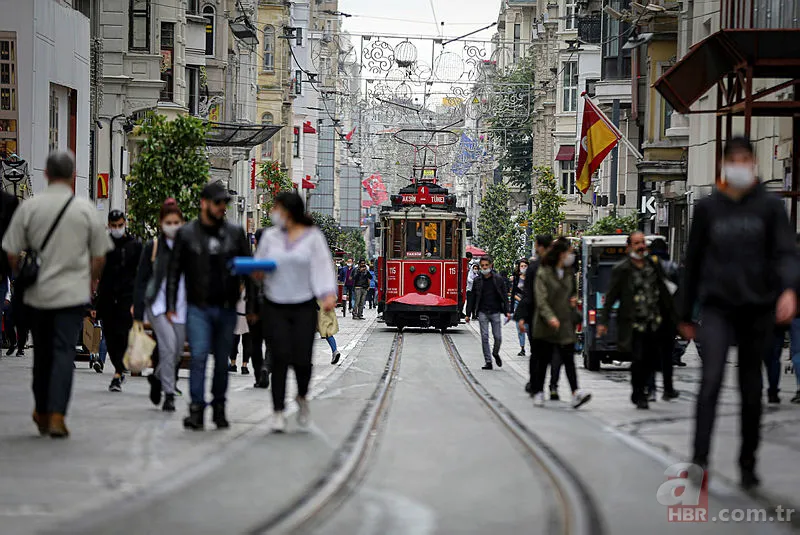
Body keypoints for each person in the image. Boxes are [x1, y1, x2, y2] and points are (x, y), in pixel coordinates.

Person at [679, 137, 799, 489]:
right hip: (717, 307)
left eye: (746, 159)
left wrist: (789, 290)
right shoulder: (708, 209)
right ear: (724, 164)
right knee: (711, 379)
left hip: (757, 309)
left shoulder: (770, 208)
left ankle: (748, 462)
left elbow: (786, 254)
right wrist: (684, 314)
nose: (740, 165)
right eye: (734, 159)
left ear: (754, 163)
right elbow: (694, 262)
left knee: (750, 386)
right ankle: (699, 458)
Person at [2, 151, 112, 437]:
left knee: (43, 354)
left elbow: (11, 250)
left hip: (38, 295)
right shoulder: (85, 210)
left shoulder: (30, 208)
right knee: (64, 353)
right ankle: (58, 414)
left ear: (46, 174)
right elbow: (100, 256)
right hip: (72, 295)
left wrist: (21, 274)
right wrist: (90, 282)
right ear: (73, 175)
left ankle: (41, 409)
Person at [167, 181, 252, 431]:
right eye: (217, 203)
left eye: (224, 203)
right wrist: (171, 304)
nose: (222, 208)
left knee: (222, 361)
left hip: (226, 307)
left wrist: (254, 305)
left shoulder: (235, 234)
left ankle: (219, 407)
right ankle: (196, 410)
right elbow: (174, 271)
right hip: (198, 307)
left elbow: (247, 269)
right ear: (204, 203)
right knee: (200, 356)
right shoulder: (187, 234)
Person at [254, 192, 337, 433]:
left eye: (278, 208)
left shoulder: (313, 238)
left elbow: (323, 266)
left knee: (302, 358)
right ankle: (278, 410)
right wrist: (257, 274)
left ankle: (302, 395)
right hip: (274, 303)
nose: (274, 213)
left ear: (289, 211)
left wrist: (327, 294)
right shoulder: (270, 237)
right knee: (278, 357)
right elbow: (259, 263)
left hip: (303, 304)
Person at [597, 232, 677, 410]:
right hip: (632, 323)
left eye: (642, 243)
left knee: (651, 359)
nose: (641, 246)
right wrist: (602, 322)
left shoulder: (653, 265)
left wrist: (674, 317)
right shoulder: (622, 269)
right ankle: (639, 392)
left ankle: (643, 390)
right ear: (629, 247)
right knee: (638, 358)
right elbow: (611, 297)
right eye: (637, 243)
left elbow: (664, 290)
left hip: (653, 321)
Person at [132, 199, 187, 412]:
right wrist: (138, 311)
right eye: (169, 222)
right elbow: (141, 280)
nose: (173, 225)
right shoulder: (153, 247)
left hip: (182, 306)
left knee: (176, 353)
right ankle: (169, 394)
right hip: (159, 306)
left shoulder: (188, 247)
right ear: (161, 223)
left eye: (176, 222)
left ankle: (156, 378)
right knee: (168, 347)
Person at [529, 238, 591, 409]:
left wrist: (573, 301)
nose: (571, 255)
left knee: (568, 359)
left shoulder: (569, 273)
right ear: (561, 254)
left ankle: (575, 392)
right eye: (569, 252)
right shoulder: (544, 272)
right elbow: (541, 300)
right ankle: (539, 391)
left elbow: (572, 293)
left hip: (564, 322)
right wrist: (550, 317)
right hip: (546, 323)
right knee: (544, 359)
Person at [96, 210, 143, 393]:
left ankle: (117, 372)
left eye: (119, 225)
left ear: (125, 224)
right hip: (107, 296)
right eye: (113, 225)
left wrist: (137, 300)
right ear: (108, 225)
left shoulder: (134, 246)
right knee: (109, 334)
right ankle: (118, 365)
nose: (116, 229)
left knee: (122, 333)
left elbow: (140, 274)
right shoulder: (103, 245)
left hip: (126, 297)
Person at [516, 235, 554, 396]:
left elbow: (527, 294)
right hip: (551, 316)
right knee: (546, 353)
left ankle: (535, 384)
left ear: (538, 246)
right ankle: (549, 386)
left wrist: (522, 317)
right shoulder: (553, 266)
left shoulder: (534, 267)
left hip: (535, 315)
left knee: (537, 352)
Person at [645, 238, 682, 403]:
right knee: (667, 356)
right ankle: (668, 389)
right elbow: (681, 294)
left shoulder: (647, 267)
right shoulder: (673, 267)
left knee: (650, 355)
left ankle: (651, 389)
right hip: (668, 319)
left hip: (651, 317)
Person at [472, 255, 509, 370]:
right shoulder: (477, 280)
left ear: (491, 265)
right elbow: (473, 297)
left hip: (495, 312)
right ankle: (488, 361)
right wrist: (468, 314)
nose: (484, 267)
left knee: (498, 337)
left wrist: (507, 311)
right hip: (483, 312)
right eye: (482, 266)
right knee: (484, 336)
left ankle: (495, 353)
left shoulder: (498, 279)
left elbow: (504, 296)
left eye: (486, 265)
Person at [246, 228, 269, 389]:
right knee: (272, 343)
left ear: (255, 241)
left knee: (255, 343)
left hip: (254, 308)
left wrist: (250, 310)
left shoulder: (252, 259)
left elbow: (249, 287)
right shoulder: (275, 259)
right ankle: (266, 367)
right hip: (273, 308)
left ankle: (258, 375)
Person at [510, 258, 529, 356]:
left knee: (529, 327)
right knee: (519, 327)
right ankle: (522, 348)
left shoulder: (531, 278)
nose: (523, 268)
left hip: (529, 305)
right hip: (518, 304)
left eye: (525, 266)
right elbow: (513, 292)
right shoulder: (516, 278)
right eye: (522, 266)